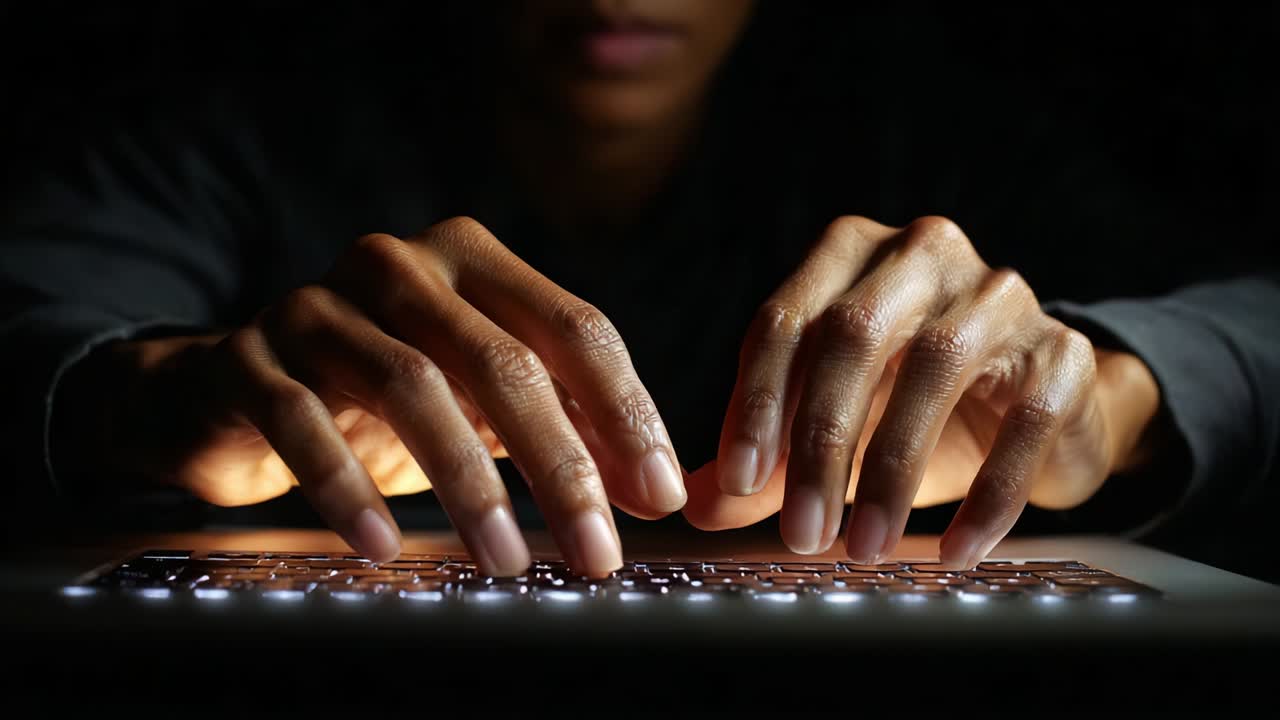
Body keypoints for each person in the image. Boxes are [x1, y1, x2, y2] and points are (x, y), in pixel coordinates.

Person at [1, 1, 1276, 578]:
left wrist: (1116, 391)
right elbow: (35, 320)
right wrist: (147, 399)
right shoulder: (255, 118)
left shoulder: (924, 115)